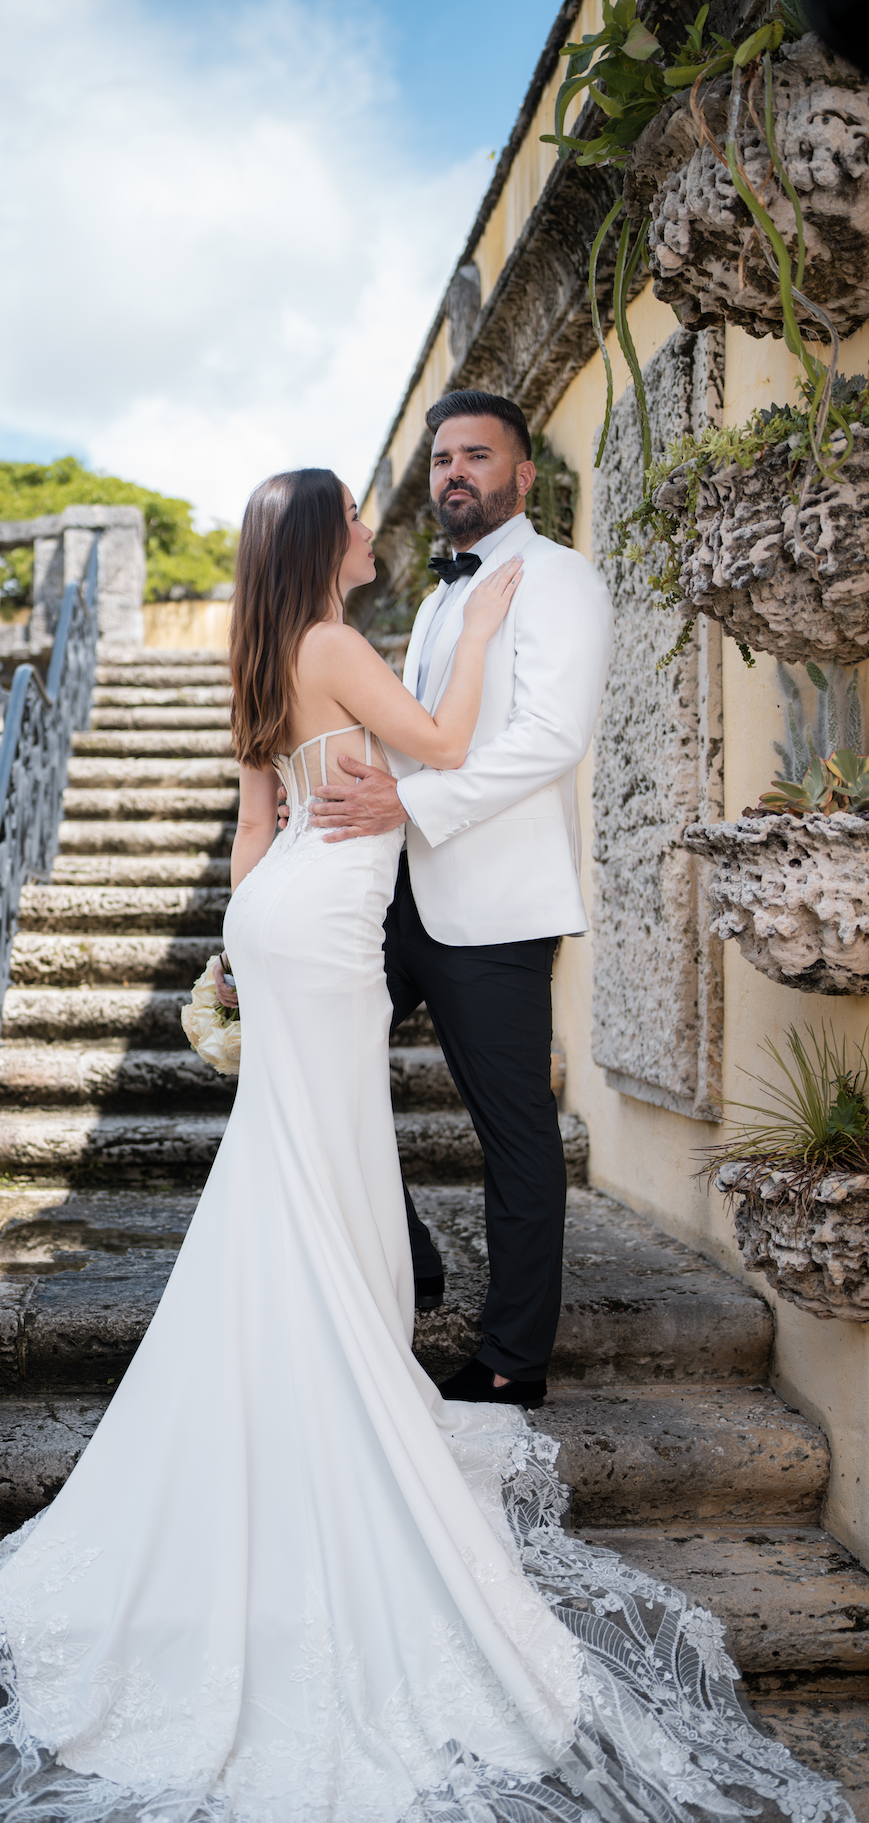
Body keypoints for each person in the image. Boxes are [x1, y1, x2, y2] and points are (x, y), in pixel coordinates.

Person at [0, 470, 856, 1823]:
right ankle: (339, 1373)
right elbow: (450, 740)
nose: (371, 525)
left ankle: (319, 1350)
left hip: (282, 920)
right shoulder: (336, 645)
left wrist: (233, 952)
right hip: (327, 934)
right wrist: (473, 648)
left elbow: (254, 825)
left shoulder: (261, 653)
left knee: (294, 1159)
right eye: (352, 512)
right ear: (318, 542)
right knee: (318, 1155)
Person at [308, 390, 612, 1412]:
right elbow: (428, 727)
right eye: (442, 457)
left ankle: (511, 1359)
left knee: (514, 1134)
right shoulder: (444, 597)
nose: (453, 473)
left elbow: (549, 738)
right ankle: (412, 1254)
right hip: (401, 892)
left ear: (523, 475)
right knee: (309, 1057)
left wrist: (414, 797)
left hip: (496, 910)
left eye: (477, 456)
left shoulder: (561, 580)